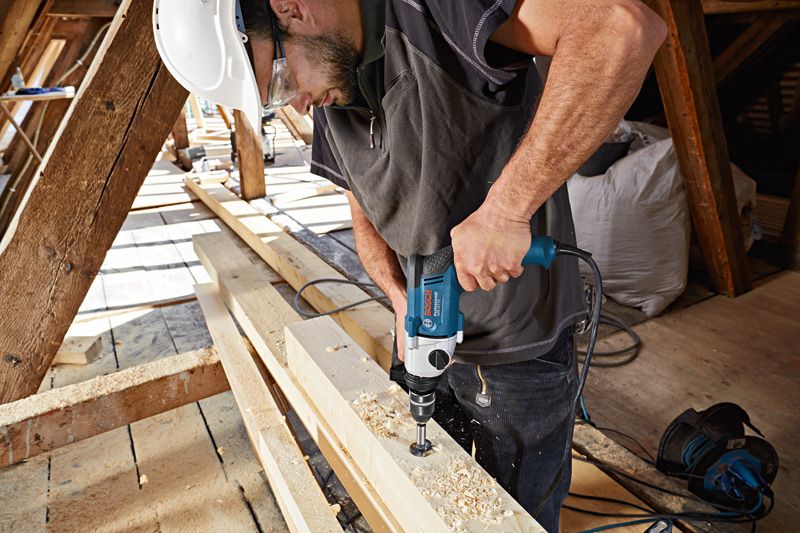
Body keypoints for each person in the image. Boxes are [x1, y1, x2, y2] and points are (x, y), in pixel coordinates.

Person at [156, 1, 666, 530]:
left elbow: (621, 29)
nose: (300, 104)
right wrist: (397, 295)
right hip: (422, 326)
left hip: (518, 341)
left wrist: (507, 208)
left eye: (281, 80)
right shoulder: (334, 77)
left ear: (293, 9)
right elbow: (360, 190)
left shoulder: (435, 10)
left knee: (515, 516)